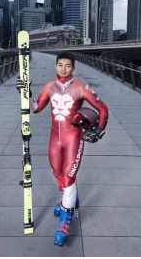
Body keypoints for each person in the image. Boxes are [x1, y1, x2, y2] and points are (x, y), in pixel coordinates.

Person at [31, 52, 109, 247]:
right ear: (55, 66)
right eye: (60, 65)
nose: (63, 68)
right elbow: (36, 108)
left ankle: (66, 219)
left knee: (68, 176)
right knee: (58, 172)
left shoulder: (81, 88)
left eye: (67, 65)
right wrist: (25, 94)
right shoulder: (49, 87)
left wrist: (99, 129)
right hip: (54, 139)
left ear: (73, 67)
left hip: (73, 138)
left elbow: (103, 109)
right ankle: (70, 198)